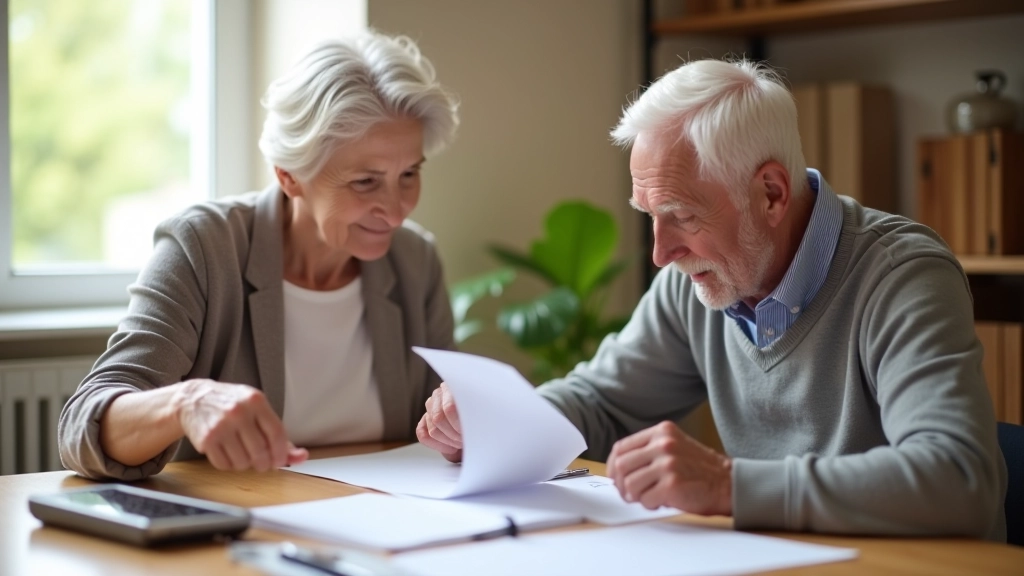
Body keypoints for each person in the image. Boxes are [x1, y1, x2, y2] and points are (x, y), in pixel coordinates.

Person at [416, 59, 1007, 541]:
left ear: (771, 194)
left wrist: (728, 485)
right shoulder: (695, 280)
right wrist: (500, 423)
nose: (660, 253)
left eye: (681, 216)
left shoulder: (901, 275)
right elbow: (602, 402)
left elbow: (958, 479)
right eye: (649, 216)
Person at [58, 31, 460, 480]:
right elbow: (81, 428)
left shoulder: (414, 260)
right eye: (365, 181)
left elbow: (448, 430)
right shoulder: (203, 248)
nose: (396, 207)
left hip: (383, 527)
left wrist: (460, 420)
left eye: (409, 173)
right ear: (289, 176)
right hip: (239, 529)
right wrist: (187, 402)